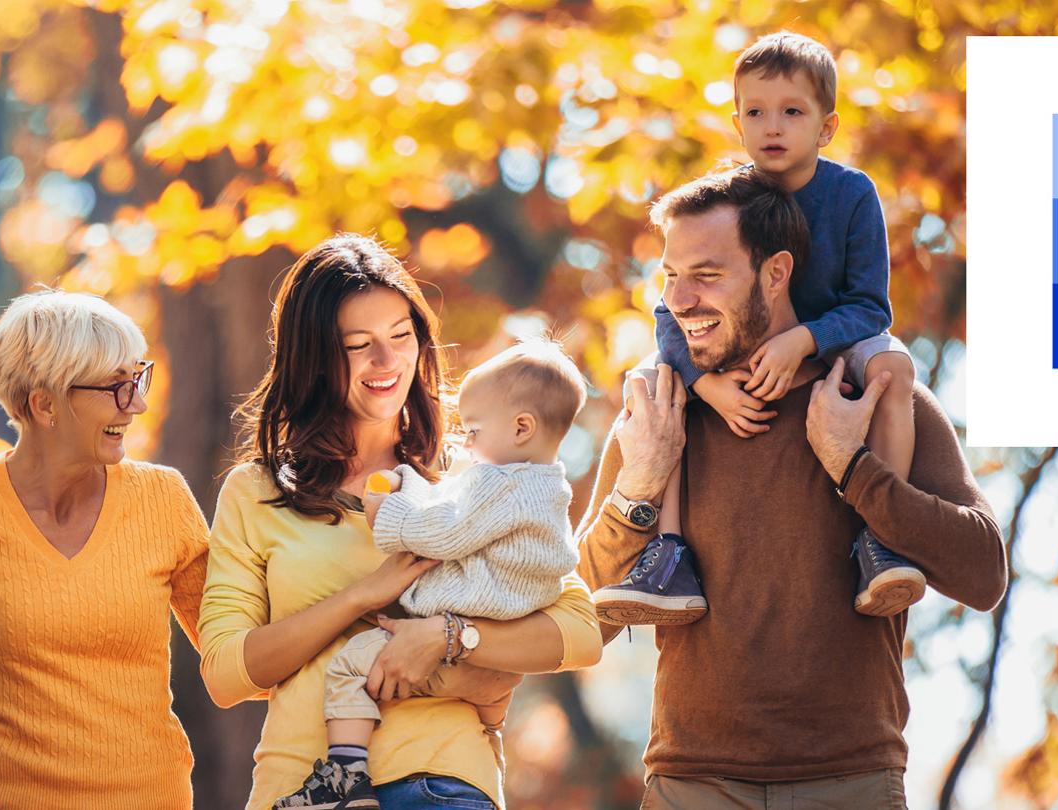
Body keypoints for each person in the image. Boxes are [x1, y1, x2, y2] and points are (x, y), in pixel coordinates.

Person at [577, 167, 1007, 808]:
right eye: (671, 275)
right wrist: (638, 487)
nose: (679, 299)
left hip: (852, 782)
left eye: (708, 274)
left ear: (776, 273)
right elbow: (581, 618)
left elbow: (983, 574)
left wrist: (855, 467)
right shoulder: (662, 415)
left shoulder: (877, 401)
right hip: (689, 783)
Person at [200, 234, 603, 810]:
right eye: (358, 345)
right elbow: (225, 673)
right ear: (312, 358)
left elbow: (580, 635)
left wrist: (449, 638)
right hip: (300, 788)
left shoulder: (475, 475)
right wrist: (364, 594)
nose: (386, 363)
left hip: (440, 779)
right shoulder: (257, 492)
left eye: (400, 337)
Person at [595, 31, 925, 625]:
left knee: (894, 367)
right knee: (655, 385)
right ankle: (667, 556)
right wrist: (702, 382)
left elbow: (872, 307)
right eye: (756, 112)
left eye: (792, 112)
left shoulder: (852, 195)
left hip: (836, 346)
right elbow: (672, 309)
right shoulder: (733, 199)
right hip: (727, 356)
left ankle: (881, 536)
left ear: (826, 127)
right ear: (738, 122)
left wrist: (804, 339)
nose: (773, 127)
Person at [271, 340, 588, 809]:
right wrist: (410, 482)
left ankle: (345, 776)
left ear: (522, 427)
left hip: (460, 617)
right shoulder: (543, 487)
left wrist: (388, 512)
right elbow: (455, 503)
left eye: (475, 430)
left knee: (351, 665)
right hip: (492, 633)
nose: (466, 442)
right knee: (484, 693)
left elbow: (447, 531)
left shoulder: (498, 483)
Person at [0, 290, 209, 808]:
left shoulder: (164, 499)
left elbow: (236, 656)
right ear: (44, 405)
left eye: (137, 378)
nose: (139, 404)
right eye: (115, 387)